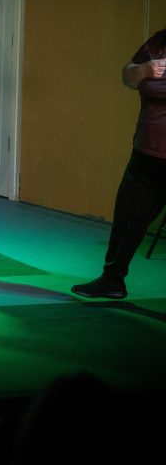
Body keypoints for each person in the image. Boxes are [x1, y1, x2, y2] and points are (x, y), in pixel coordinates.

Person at [72, 29, 166, 299]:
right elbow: (128, 76)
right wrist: (144, 70)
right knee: (127, 217)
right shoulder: (158, 43)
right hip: (146, 152)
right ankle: (112, 280)